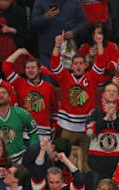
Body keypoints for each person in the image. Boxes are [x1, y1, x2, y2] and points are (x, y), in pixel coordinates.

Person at [49, 31, 107, 172]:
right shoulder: (65, 77)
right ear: (72, 66)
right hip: (67, 127)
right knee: (64, 158)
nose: (78, 66)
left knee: (86, 161)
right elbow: (54, 64)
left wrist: (99, 44)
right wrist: (57, 45)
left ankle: (84, 186)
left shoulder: (92, 77)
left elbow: (101, 63)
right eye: (75, 64)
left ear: (86, 65)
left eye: (81, 63)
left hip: (86, 128)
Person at [3, 48, 58, 139]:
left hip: (44, 133)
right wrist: (19, 52)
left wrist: (55, 125)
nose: (30, 70)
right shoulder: (19, 83)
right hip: (24, 132)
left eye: (33, 67)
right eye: (28, 68)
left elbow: (55, 110)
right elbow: (6, 67)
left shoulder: (49, 87)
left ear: (40, 70)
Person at [0, 86, 39, 162]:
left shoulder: (21, 113)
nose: (1, 95)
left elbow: (34, 133)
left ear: (9, 98)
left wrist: (31, 151)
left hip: (20, 159)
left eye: (4, 93)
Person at [85, 83, 119, 180]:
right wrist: (106, 118)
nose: (111, 93)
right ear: (103, 95)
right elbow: (90, 132)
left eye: (114, 91)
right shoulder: (95, 112)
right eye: (108, 91)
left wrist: (114, 117)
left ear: (118, 95)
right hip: (97, 162)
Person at [30, 0, 87, 66]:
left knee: (66, 75)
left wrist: (74, 32)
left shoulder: (75, 2)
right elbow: (34, 23)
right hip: (47, 52)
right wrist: (45, 17)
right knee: (47, 75)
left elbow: (83, 22)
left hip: (68, 52)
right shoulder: (40, 1)